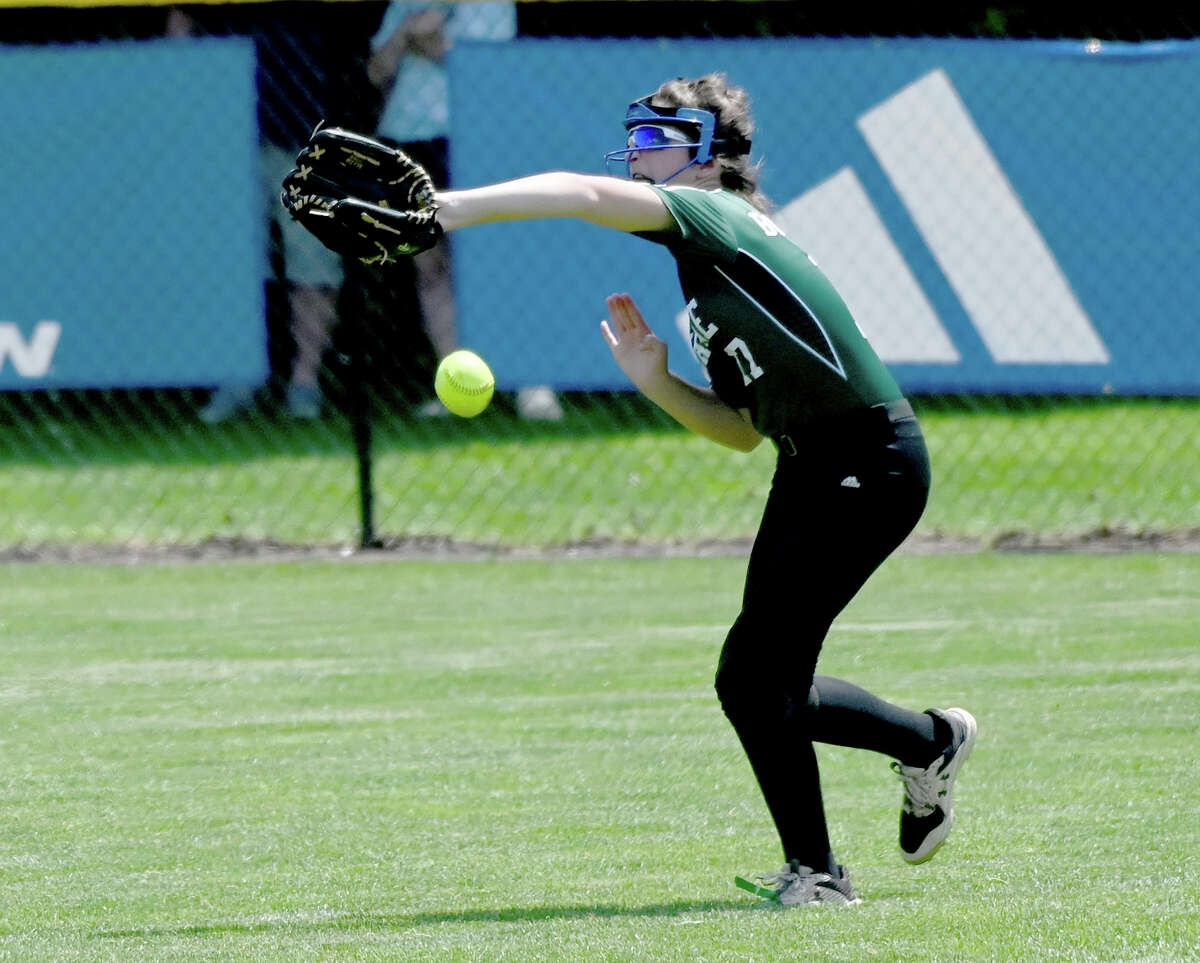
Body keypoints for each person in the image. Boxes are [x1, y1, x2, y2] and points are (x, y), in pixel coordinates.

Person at [294, 72, 978, 906]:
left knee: (756, 677)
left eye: (659, 138)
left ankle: (828, 865)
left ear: (711, 155)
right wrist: (655, 380)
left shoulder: (717, 215)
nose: (638, 153)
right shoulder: (708, 267)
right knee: (753, 683)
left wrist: (446, 207)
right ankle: (920, 748)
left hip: (868, 461)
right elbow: (742, 430)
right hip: (814, 462)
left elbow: (581, 193)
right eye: (636, 138)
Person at [363, 0, 563, 420]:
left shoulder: (491, 5)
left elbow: (489, 73)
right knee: (431, 266)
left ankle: (532, 385)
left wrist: (428, 41)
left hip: (477, 134)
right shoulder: (406, 4)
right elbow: (376, 71)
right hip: (410, 140)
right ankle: (456, 387)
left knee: (501, 259)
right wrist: (409, 32)